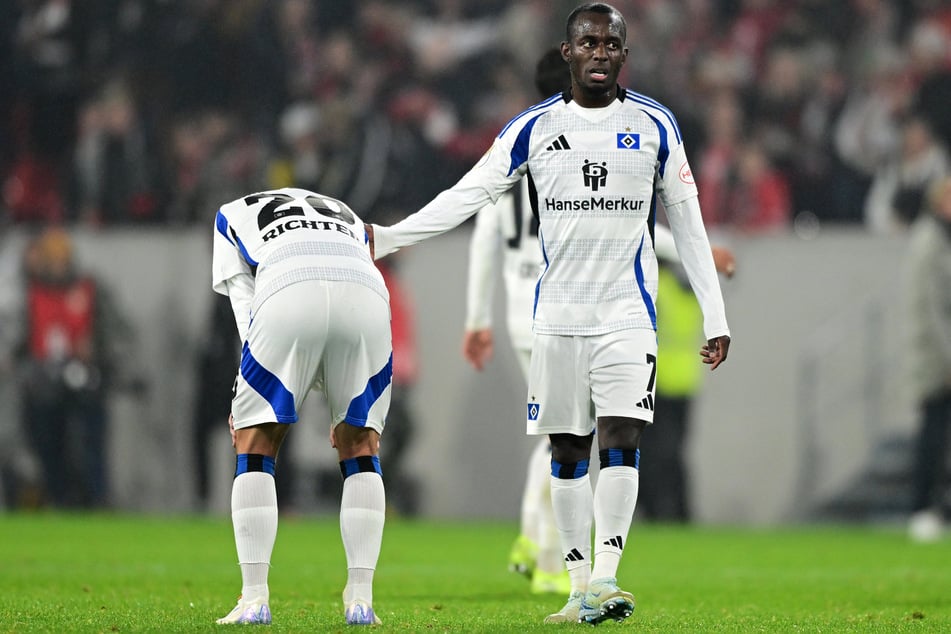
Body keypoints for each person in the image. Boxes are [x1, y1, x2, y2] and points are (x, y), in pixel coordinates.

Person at [368, 3, 730, 625]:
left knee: (622, 436)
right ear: (567, 53)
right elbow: (467, 198)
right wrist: (390, 237)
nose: (598, 52)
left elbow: (689, 227)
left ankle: (608, 578)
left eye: (609, 43)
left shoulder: (655, 126)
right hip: (557, 315)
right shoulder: (532, 129)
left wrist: (714, 314)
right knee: (567, 449)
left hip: (627, 313)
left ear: (623, 54)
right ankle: (578, 585)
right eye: (586, 42)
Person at [212, 187, 392, 626]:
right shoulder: (345, 211)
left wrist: (252, 396)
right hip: (367, 296)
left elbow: (246, 307)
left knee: (255, 441)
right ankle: (361, 598)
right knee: (361, 445)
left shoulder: (230, 215)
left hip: (287, 289)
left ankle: (254, 597)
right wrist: (338, 406)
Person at [17, 226, 143, 508]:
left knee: (92, 444)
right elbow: (20, 340)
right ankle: (57, 498)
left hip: (86, 378)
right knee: (49, 445)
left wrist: (100, 353)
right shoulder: (31, 294)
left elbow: (117, 331)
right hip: (44, 385)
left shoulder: (89, 289)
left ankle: (98, 499)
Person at [904, 175, 951, 543]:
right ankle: (922, 507)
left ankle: (938, 508)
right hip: (936, 357)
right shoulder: (929, 238)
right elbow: (930, 307)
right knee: (933, 433)